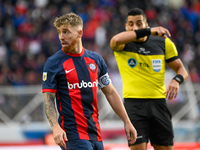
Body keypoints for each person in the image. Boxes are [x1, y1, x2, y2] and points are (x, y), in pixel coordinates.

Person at [42, 12, 137, 150]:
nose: (61, 36)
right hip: (71, 134)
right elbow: (48, 98)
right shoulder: (53, 63)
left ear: (80, 33)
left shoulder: (95, 60)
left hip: (95, 134)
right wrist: (55, 127)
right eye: (59, 32)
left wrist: (127, 122)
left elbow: (110, 92)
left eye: (66, 32)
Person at [110, 8, 188, 150]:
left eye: (139, 23)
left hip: (159, 104)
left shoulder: (163, 43)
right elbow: (115, 40)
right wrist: (149, 31)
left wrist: (176, 80)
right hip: (134, 106)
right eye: (131, 24)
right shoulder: (123, 44)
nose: (135, 27)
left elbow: (182, 70)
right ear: (126, 27)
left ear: (146, 24)